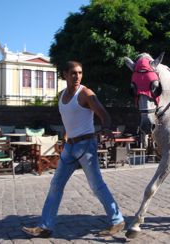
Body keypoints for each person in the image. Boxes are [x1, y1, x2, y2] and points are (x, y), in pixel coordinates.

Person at [22, 61, 125, 238]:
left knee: (96, 185)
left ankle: (117, 221)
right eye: (73, 73)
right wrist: (66, 135)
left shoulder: (85, 93)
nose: (77, 76)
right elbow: (69, 120)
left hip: (86, 146)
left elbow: (104, 115)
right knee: (56, 185)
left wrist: (106, 129)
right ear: (65, 74)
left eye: (80, 73)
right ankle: (45, 226)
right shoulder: (62, 96)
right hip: (69, 147)